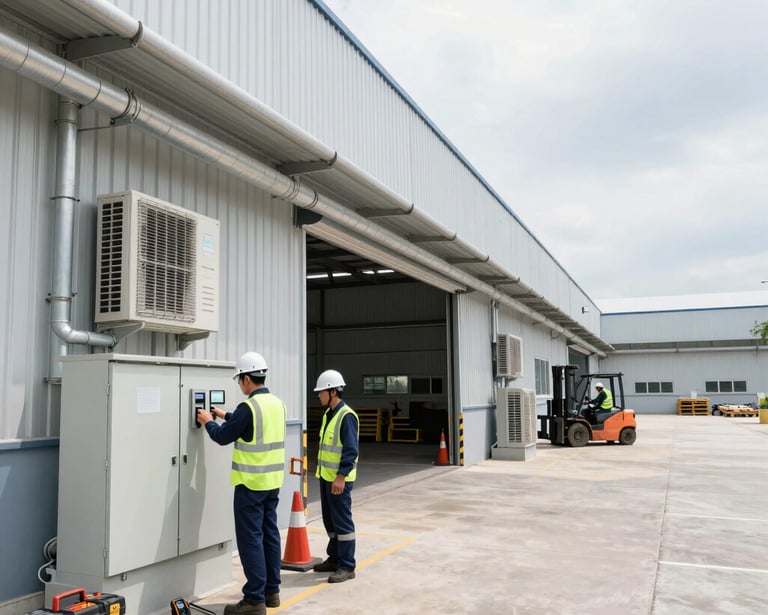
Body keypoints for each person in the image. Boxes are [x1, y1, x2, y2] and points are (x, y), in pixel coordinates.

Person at [197, 352, 287, 615]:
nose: (239, 384)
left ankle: (254, 600)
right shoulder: (277, 404)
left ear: (247, 379)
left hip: (250, 485)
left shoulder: (249, 408)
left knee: (251, 540)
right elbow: (248, 427)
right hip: (272, 483)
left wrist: (208, 422)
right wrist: (225, 414)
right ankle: (271, 592)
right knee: (270, 535)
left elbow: (224, 436)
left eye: (239, 380)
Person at [312, 369, 359, 583]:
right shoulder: (328, 414)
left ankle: (347, 566)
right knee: (330, 521)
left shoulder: (346, 416)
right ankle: (335, 558)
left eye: (321, 391)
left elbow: (350, 450)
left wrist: (341, 476)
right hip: (326, 477)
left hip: (339, 480)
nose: (319, 395)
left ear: (332, 392)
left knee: (342, 523)